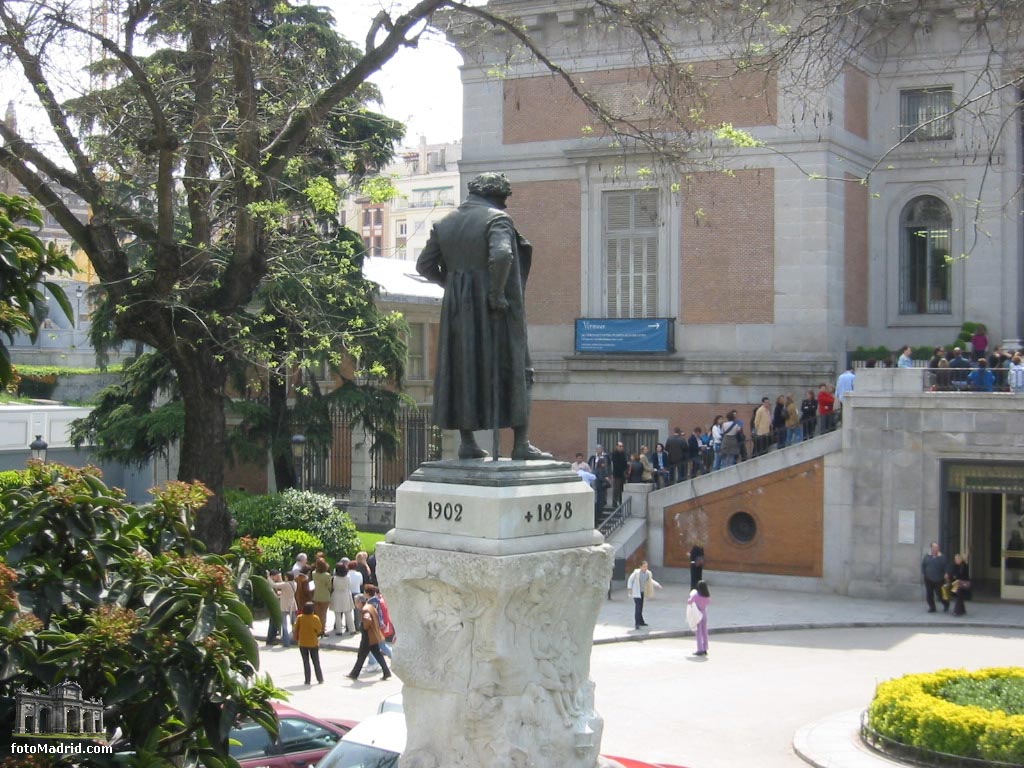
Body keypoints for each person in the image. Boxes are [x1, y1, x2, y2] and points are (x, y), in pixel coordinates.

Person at [415, 172, 551, 461]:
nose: (506, 205)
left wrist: (451, 283)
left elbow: (424, 265)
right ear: (497, 196)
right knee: (520, 370)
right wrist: (496, 293)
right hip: (496, 312)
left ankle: (467, 443)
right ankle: (521, 444)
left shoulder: (445, 223)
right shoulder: (496, 219)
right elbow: (502, 255)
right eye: (505, 198)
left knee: (463, 370)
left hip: (458, 312)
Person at [347, 595, 392, 681]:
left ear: (360, 602)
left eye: (356, 603)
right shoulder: (370, 606)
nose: (356, 605)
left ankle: (354, 674)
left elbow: (367, 620)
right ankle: (386, 672)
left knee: (361, 656)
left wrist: (364, 626)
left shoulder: (365, 610)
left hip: (368, 637)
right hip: (373, 636)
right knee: (377, 655)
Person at [293, 602, 324, 685]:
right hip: (313, 643)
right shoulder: (315, 618)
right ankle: (320, 678)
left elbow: (295, 628)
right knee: (316, 661)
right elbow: (319, 630)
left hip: (302, 643)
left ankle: (307, 680)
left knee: (305, 662)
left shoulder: (300, 618)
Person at [626, 561, 661, 630]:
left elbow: (650, 580)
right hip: (636, 592)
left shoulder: (648, 573)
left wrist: (657, 584)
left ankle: (641, 621)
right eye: (644, 566)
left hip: (642, 592)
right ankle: (637, 623)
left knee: (640, 607)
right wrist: (629, 589)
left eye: (646, 566)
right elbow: (630, 580)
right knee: (638, 608)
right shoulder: (636, 573)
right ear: (640, 566)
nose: (645, 568)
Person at [921, 542, 950, 613]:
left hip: (939, 579)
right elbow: (923, 565)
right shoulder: (927, 556)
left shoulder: (942, 557)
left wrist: (946, 573)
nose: (935, 548)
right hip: (928, 579)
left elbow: (947, 566)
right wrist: (924, 573)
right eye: (934, 547)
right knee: (929, 594)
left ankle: (946, 604)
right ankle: (932, 607)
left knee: (940, 594)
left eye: (937, 547)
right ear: (931, 548)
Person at [687, 581, 711, 656]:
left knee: (699, 632)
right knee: (704, 632)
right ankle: (705, 648)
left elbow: (689, 602)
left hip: (697, 614)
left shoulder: (696, 595)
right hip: (704, 613)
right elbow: (708, 602)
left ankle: (700, 649)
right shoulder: (707, 596)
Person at [331, 562, 355, 635]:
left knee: (337, 614)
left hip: (336, 595)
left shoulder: (334, 578)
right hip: (346, 595)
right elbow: (349, 585)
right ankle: (352, 629)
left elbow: (332, 587)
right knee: (348, 613)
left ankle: (339, 630)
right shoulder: (347, 577)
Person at [311, 558, 333, 628]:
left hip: (316, 595)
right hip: (325, 596)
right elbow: (329, 586)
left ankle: (317, 628)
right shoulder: (327, 575)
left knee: (317, 614)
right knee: (323, 614)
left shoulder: (313, 573)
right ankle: (322, 629)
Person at [593, 457, 611, 525]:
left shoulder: (597, 469)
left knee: (600, 500)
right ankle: (599, 515)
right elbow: (601, 478)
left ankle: (598, 515)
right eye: (603, 463)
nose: (604, 464)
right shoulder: (601, 470)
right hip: (601, 487)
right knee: (601, 501)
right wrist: (606, 480)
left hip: (599, 487)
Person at [610, 441, 628, 506]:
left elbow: (625, 463)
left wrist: (625, 471)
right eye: (620, 446)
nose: (621, 448)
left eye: (622, 446)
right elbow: (616, 464)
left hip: (623, 474)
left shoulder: (623, 454)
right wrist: (622, 470)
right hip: (617, 474)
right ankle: (614, 503)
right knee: (616, 489)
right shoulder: (614, 454)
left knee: (622, 489)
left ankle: (621, 501)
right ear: (617, 447)